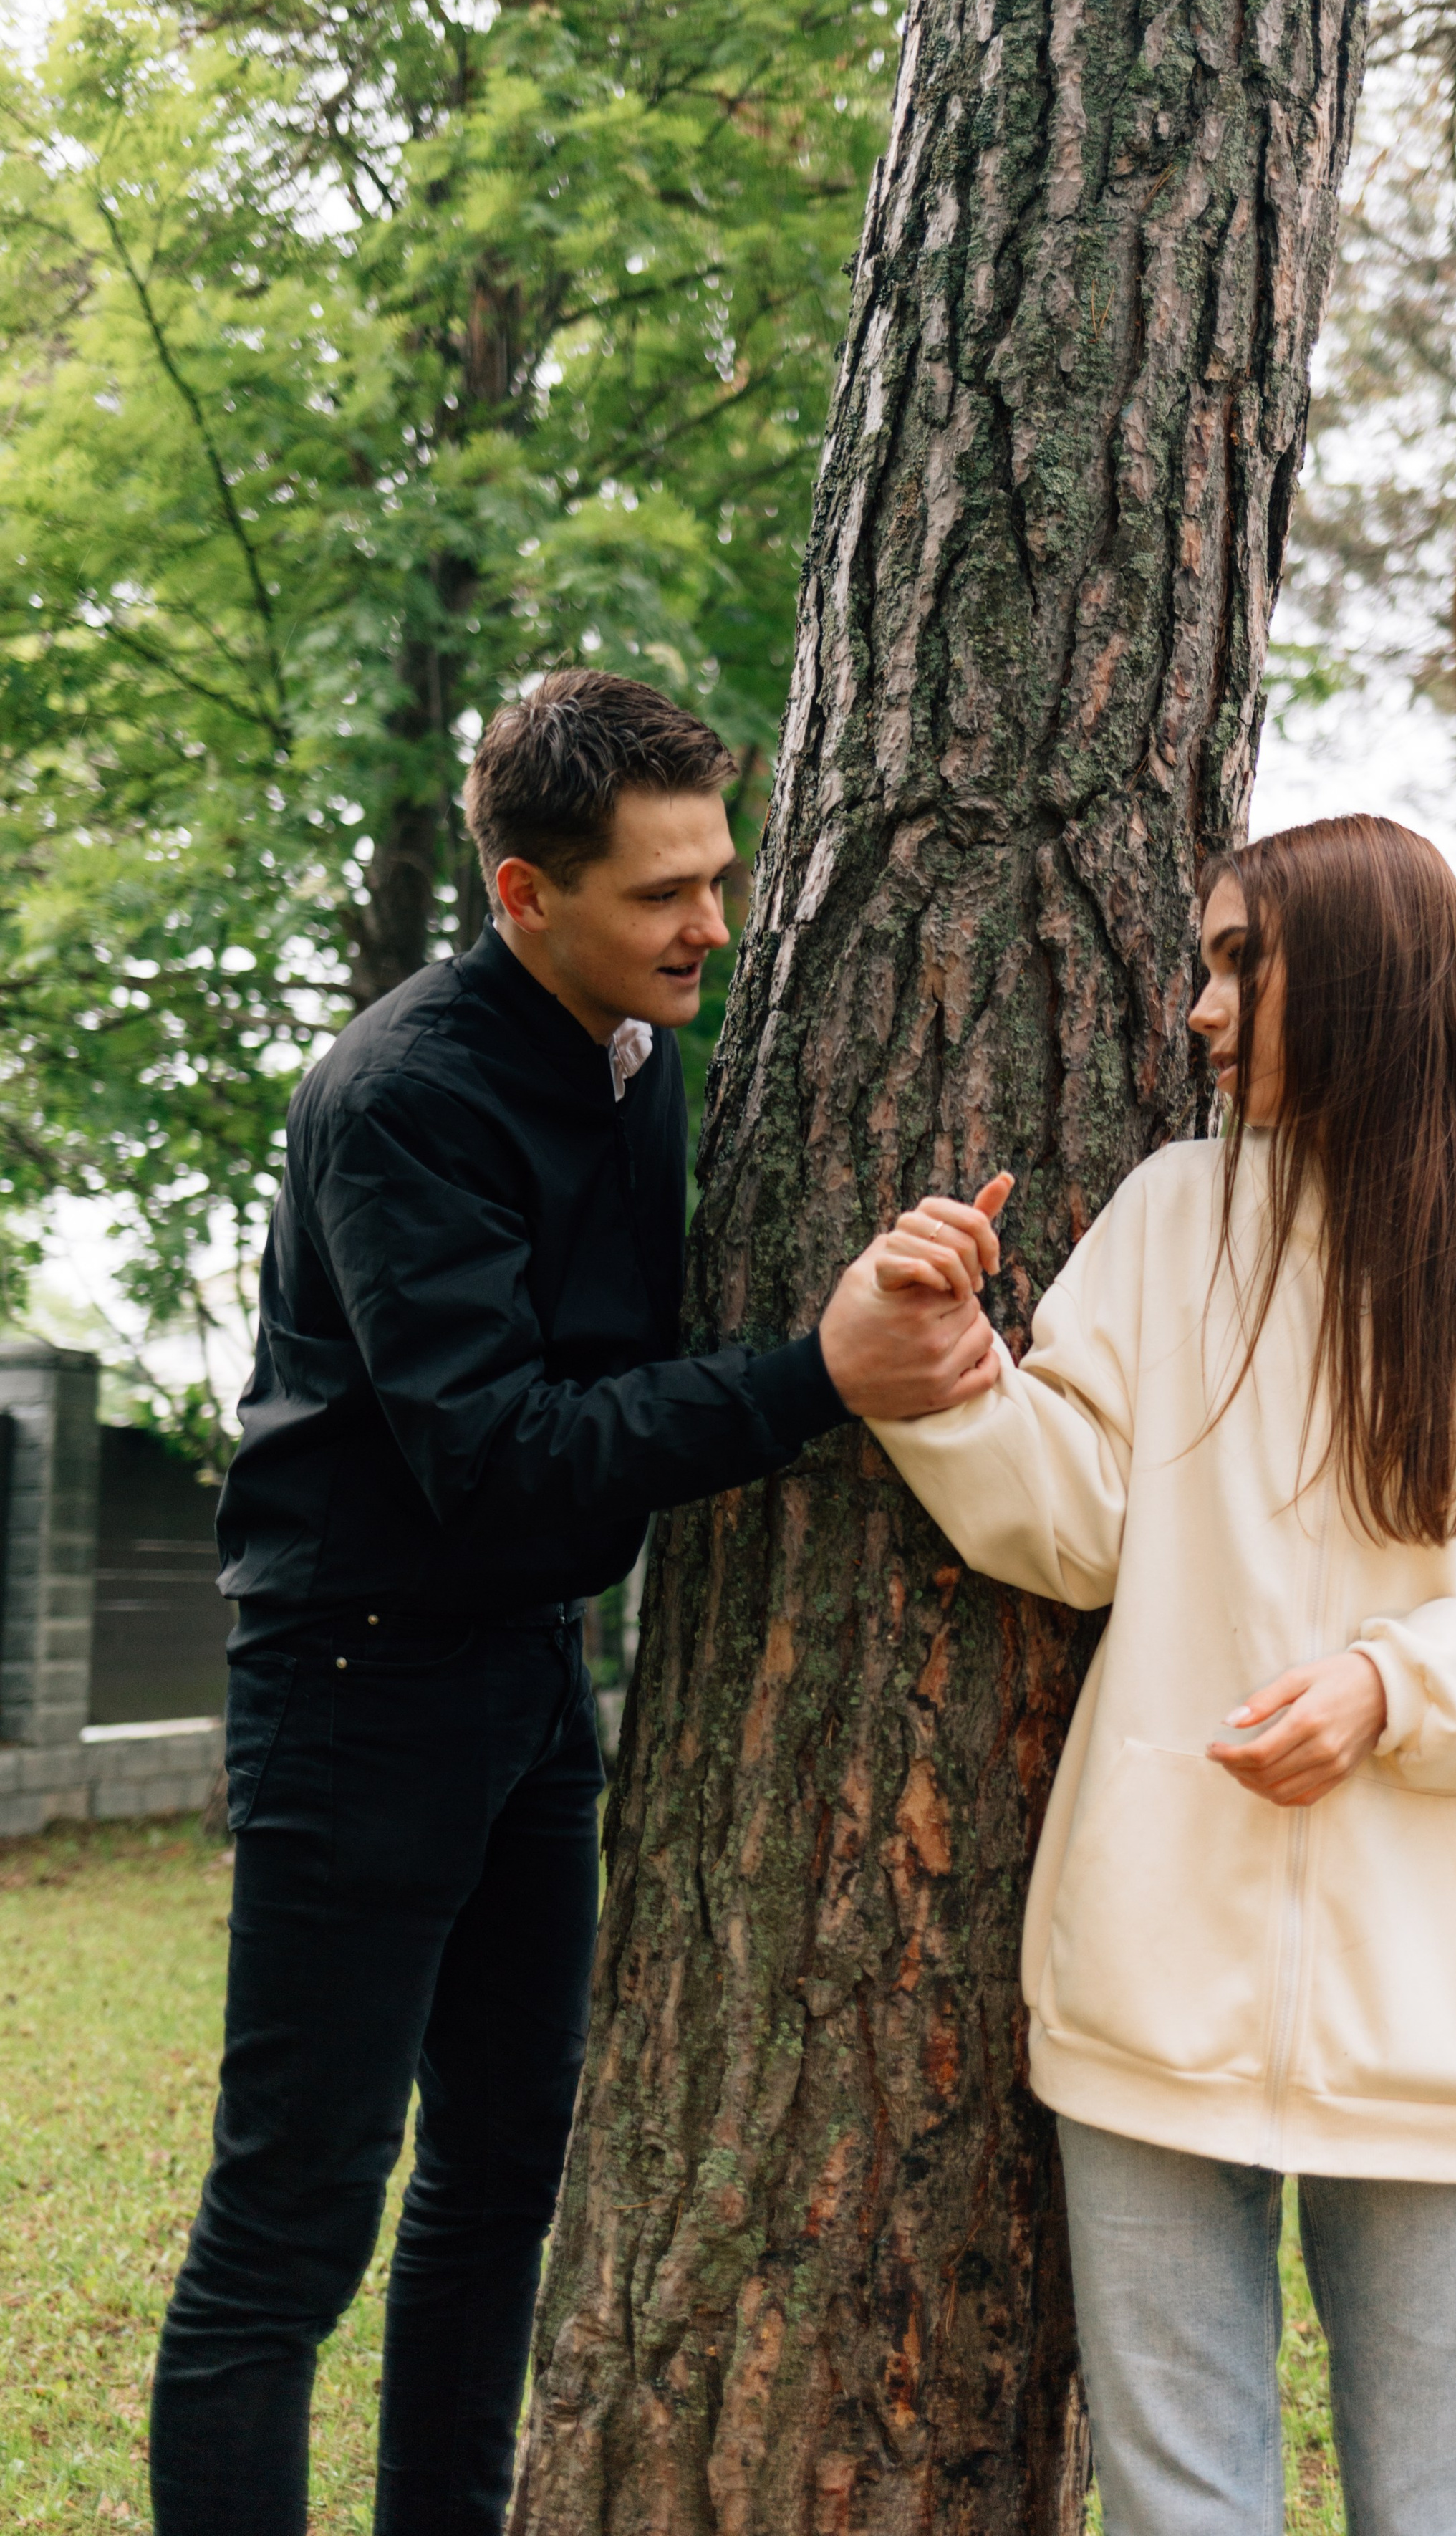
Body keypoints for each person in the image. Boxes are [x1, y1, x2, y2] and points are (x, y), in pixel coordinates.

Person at [150, 669, 996, 2536]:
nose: (715, 925)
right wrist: (820, 1378)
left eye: (718, 872)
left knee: (502, 2169)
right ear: (528, 896)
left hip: (533, 1683)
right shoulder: (406, 1097)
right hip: (357, 1688)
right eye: (661, 893)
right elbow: (500, 1450)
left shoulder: (631, 1049)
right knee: (292, 2219)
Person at [862, 814, 1456, 2536]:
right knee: (1182, 2505)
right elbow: (1086, 1520)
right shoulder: (1177, 1217)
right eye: (1200, 962)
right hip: (1155, 1966)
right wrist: (947, 1379)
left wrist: (1395, 1690)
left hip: (1437, 2000)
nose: (1193, 1009)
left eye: (1239, 960)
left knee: (1430, 2501)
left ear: (1372, 972)